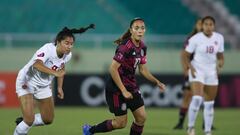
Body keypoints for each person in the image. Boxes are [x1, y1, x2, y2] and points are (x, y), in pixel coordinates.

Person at [82, 17, 165, 135]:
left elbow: (142, 69)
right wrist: (123, 90)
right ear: (131, 30)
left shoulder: (142, 47)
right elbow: (112, 69)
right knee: (121, 123)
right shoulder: (125, 47)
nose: (140, 30)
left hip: (131, 86)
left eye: (142, 28)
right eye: (136, 28)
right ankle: (90, 130)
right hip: (116, 88)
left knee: (141, 118)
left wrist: (156, 82)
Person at [13, 26, 94, 135]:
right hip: (26, 82)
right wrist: (54, 73)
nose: (69, 46)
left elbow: (61, 68)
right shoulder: (47, 49)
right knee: (29, 120)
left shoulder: (67, 55)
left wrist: (60, 87)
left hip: (43, 86)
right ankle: (25, 124)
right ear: (58, 42)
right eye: (66, 43)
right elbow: (37, 64)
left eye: (71, 44)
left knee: (48, 119)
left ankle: (24, 122)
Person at [182, 16, 224, 135]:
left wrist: (220, 63)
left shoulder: (219, 38)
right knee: (197, 98)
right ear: (202, 25)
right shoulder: (195, 38)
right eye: (206, 24)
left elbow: (221, 56)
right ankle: (190, 128)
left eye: (211, 24)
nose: (208, 26)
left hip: (211, 72)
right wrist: (190, 68)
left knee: (209, 104)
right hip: (197, 70)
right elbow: (185, 55)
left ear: (214, 26)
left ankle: (207, 131)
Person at [173, 18, 202, 130]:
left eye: (202, 23)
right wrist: (186, 69)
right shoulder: (191, 38)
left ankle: (207, 123)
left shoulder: (210, 38)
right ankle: (180, 123)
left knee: (205, 98)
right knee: (187, 96)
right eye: (199, 23)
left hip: (205, 72)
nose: (201, 26)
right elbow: (183, 55)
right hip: (192, 71)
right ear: (195, 25)